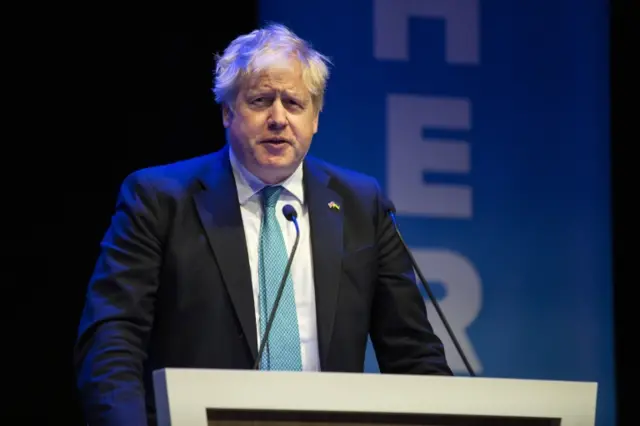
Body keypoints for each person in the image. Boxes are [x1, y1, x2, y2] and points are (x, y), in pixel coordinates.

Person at [74, 23, 452, 426]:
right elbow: (112, 340)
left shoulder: (362, 205)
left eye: (293, 103)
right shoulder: (159, 199)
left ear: (315, 118)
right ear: (227, 112)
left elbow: (413, 353)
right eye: (260, 101)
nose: (278, 118)